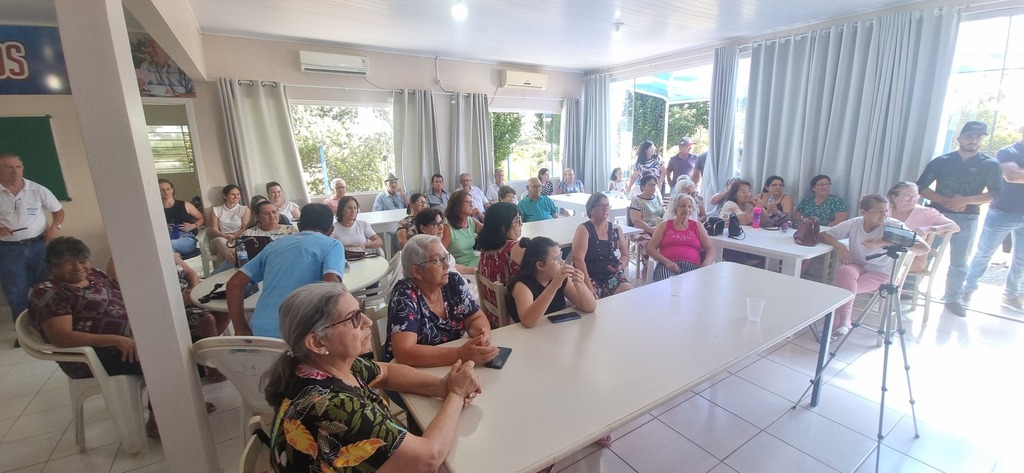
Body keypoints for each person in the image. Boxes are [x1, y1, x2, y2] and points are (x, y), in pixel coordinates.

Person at [264, 283, 482, 473]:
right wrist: (457, 392)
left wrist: (440, 386)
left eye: (361, 310)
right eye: (354, 318)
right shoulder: (335, 407)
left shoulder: (315, 366)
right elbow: (428, 458)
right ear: (318, 343)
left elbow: (386, 373)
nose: (368, 321)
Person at [27, 237, 159, 437]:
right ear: (52, 266)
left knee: (180, 337)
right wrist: (115, 339)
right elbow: (62, 337)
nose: (78, 267)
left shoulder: (96, 275)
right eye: (68, 263)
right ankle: (157, 423)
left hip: (127, 341)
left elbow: (124, 296)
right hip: (94, 356)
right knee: (161, 358)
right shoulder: (49, 292)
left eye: (82, 261)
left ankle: (183, 399)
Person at [917, 121, 1004, 317]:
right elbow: (920, 187)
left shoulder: (990, 164)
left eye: (978, 137)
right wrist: (945, 200)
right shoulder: (942, 161)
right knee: (923, 253)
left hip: (967, 217)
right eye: (969, 136)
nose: (973, 140)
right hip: (936, 216)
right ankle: (909, 290)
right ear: (959, 138)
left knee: (959, 260)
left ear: (981, 139)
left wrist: (965, 200)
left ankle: (953, 298)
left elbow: (995, 193)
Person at [818, 195, 929, 339]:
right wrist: (840, 247)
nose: (884, 215)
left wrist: (884, 242)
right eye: (879, 211)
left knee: (843, 287)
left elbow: (923, 248)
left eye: (886, 211)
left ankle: (840, 325)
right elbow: (823, 235)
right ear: (863, 212)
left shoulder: (893, 226)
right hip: (858, 265)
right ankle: (843, 323)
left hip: (883, 272)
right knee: (844, 272)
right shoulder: (855, 223)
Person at [226, 204, 344, 338]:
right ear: (331, 230)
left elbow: (234, 284)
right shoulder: (332, 245)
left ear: (299, 227)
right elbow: (332, 284)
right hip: (302, 334)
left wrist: (241, 328)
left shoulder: (273, 246)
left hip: (260, 333)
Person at [383, 234, 498, 367]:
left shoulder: (453, 282)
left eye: (445, 257)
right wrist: (460, 354)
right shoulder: (404, 296)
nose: (447, 265)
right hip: (411, 373)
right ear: (417, 272)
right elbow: (404, 352)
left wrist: (482, 337)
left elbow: (475, 318)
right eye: (438, 260)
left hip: (450, 365)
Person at [963, 126, 1024, 310]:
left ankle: (1011, 294)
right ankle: (967, 289)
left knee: (1021, 259)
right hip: (1002, 212)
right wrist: (1018, 172)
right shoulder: (1008, 151)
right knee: (984, 254)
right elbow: (1012, 175)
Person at [0, 153, 64, 326]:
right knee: (15, 291)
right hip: (8, 250)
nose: (14, 171)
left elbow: (58, 211)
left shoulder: (37, 189)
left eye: (18, 167)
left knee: (49, 286)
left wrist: (54, 228)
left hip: (39, 246)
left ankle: (53, 326)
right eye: (8, 167)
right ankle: (24, 331)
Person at [508, 237, 596, 327]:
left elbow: (590, 307)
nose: (562, 262)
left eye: (561, 257)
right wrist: (553, 286)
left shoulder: (561, 279)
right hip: (525, 336)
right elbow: (528, 322)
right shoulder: (522, 285)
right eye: (557, 259)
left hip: (553, 332)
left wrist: (580, 285)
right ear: (540, 265)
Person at [887, 181, 960, 273]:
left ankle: (891, 286)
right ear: (894, 197)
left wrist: (929, 229)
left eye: (915, 197)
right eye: (907, 196)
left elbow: (955, 226)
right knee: (871, 262)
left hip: (913, 259)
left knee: (881, 265)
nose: (911, 201)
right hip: (885, 253)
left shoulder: (926, 213)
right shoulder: (884, 209)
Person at [572, 193, 632, 298]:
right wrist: (589, 286)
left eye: (607, 205)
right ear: (591, 209)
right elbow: (578, 260)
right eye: (601, 205)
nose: (605, 209)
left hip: (611, 275)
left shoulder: (616, 229)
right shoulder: (584, 229)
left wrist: (620, 266)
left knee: (627, 290)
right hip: (589, 275)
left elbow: (625, 255)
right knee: (590, 299)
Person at [476, 202, 526, 327]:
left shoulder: (485, 249)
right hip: (513, 314)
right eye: (517, 221)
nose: (521, 224)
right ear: (504, 227)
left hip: (492, 313)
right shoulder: (516, 248)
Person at [647, 194, 715, 281]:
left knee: (692, 289)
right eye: (683, 206)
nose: (687, 210)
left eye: (690, 207)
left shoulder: (697, 226)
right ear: (675, 208)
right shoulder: (664, 225)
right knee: (666, 287)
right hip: (667, 265)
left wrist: (705, 265)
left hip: (692, 267)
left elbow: (710, 248)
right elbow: (650, 248)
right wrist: (667, 262)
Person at [629, 175, 664, 278]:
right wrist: (650, 229)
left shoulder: (657, 198)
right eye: (650, 185)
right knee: (650, 245)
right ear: (643, 187)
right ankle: (648, 273)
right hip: (640, 229)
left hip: (657, 228)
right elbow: (636, 220)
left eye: (654, 185)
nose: (653, 187)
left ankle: (662, 269)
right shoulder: (637, 200)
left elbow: (663, 213)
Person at [159, 178, 204, 255]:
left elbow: (202, 218)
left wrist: (194, 225)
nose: (166, 192)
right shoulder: (157, 209)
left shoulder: (185, 205)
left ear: (172, 190)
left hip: (186, 238)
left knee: (167, 246)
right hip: (168, 238)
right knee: (166, 247)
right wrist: (163, 226)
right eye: (162, 190)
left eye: (168, 189)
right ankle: (178, 258)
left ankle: (178, 260)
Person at [209, 184, 250, 266]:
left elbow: (245, 227)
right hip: (220, 238)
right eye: (233, 194)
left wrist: (234, 236)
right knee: (221, 241)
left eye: (238, 194)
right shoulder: (216, 210)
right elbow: (214, 230)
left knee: (221, 254)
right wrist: (223, 235)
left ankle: (219, 275)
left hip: (238, 239)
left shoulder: (244, 209)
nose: (236, 197)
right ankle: (237, 261)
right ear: (225, 196)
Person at [443, 189, 482, 268]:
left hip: (473, 260)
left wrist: (481, 215)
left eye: (472, 202)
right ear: (457, 205)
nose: (472, 205)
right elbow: (441, 257)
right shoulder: (447, 227)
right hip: (460, 268)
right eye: (468, 202)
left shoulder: (470, 221)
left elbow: (490, 231)